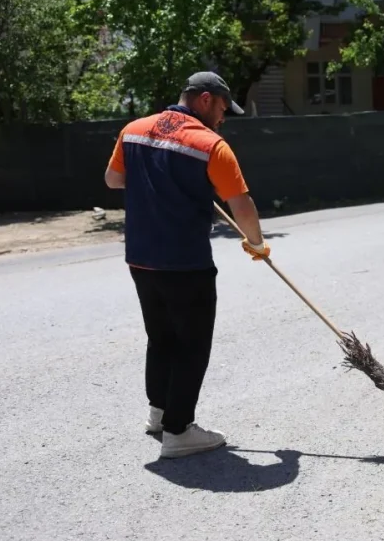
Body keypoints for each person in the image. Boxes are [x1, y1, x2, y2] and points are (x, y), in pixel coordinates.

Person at [104, 71, 271, 459]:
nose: (224, 118)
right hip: (184, 262)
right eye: (224, 108)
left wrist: (161, 183)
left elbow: (113, 179)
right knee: (192, 344)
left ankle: (159, 415)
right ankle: (179, 431)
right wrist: (258, 244)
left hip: (141, 258)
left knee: (161, 337)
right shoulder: (210, 145)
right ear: (207, 100)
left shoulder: (133, 130)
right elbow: (241, 204)